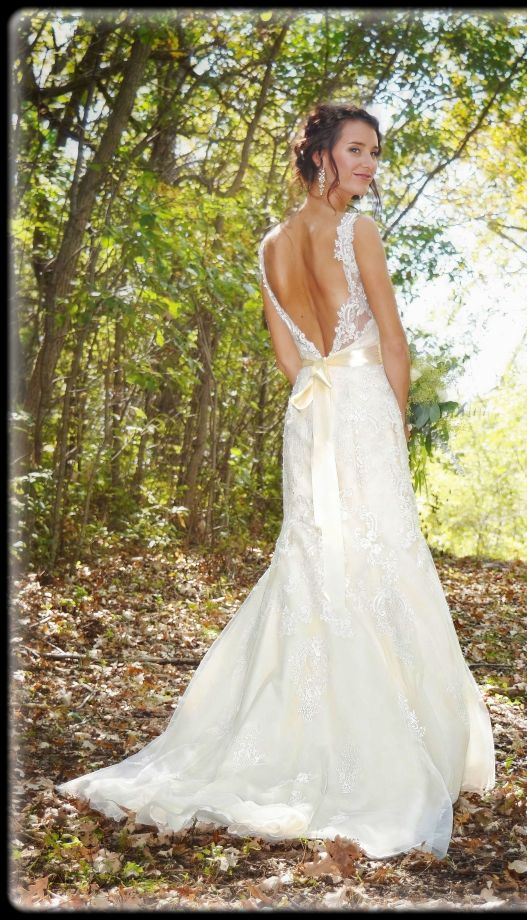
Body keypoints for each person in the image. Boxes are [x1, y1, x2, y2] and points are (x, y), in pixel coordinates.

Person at [56, 102, 496, 861]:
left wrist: (320, 403)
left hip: (310, 413)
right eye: (357, 150)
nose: (369, 165)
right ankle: (382, 752)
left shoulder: (269, 247)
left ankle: (292, 737)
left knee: (316, 563)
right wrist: (392, 425)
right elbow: (392, 339)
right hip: (355, 408)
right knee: (376, 559)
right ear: (321, 156)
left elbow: (291, 363)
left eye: (375, 153)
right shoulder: (358, 231)